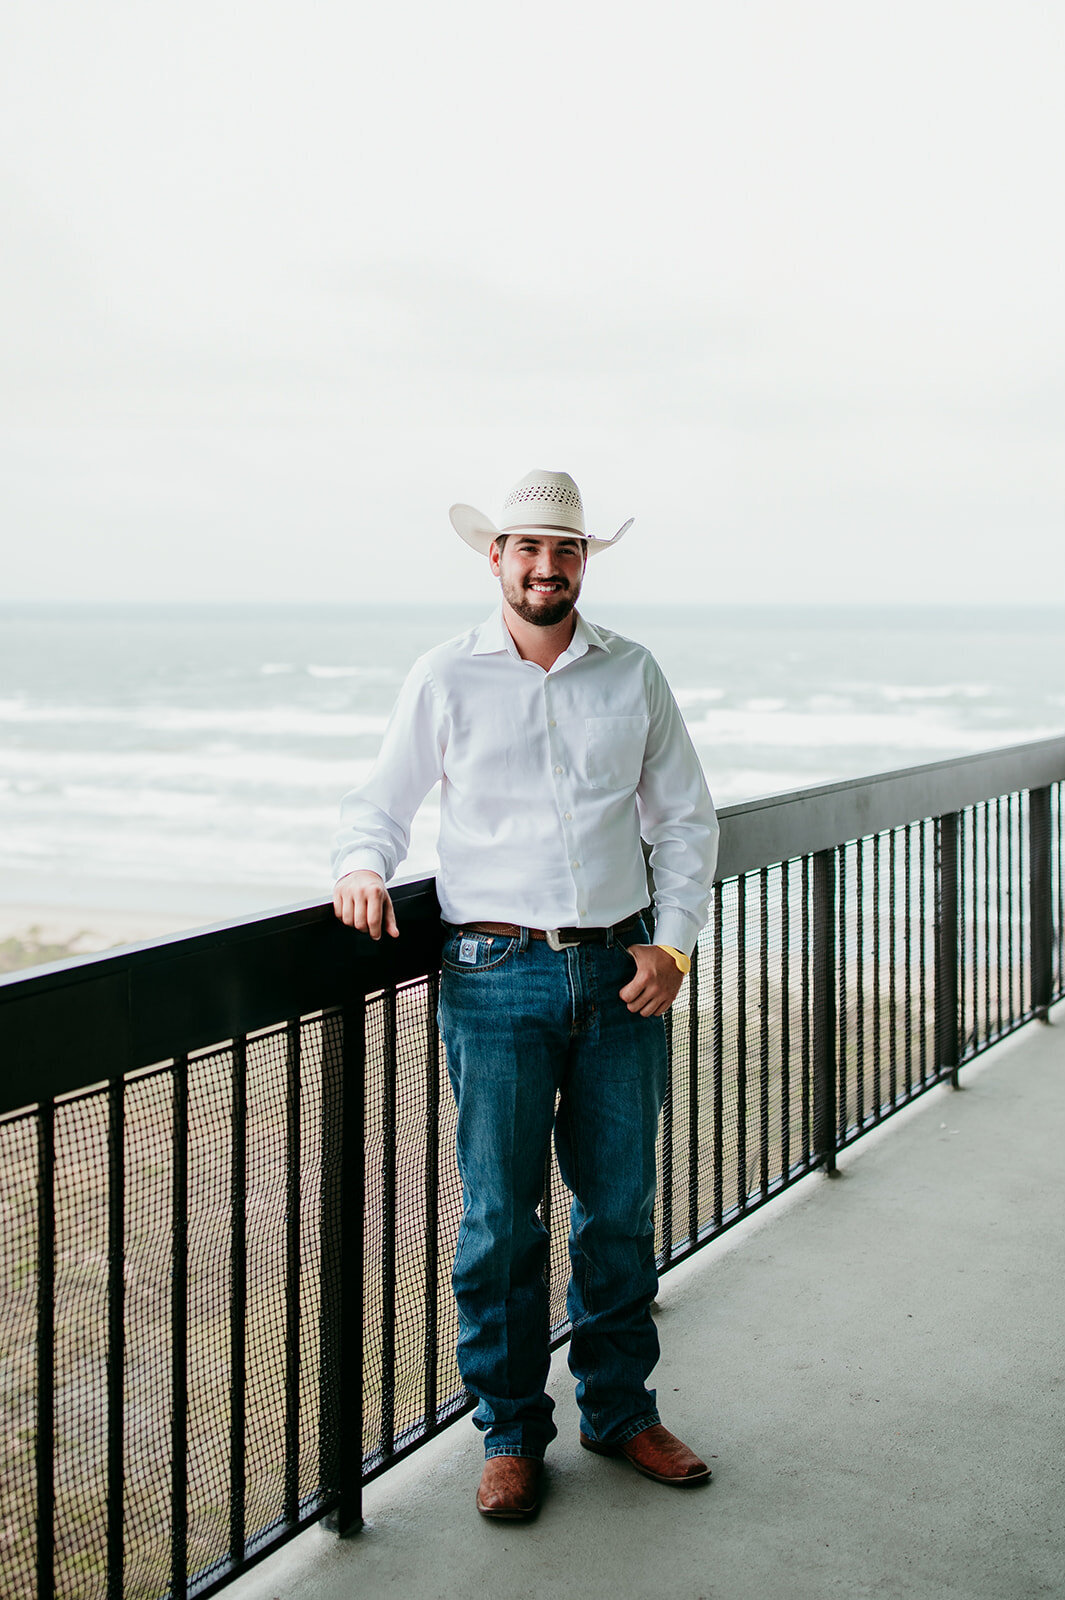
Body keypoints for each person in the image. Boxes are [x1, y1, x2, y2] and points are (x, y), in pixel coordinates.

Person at [332, 469, 719, 1520]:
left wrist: (671, 945)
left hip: (619, 974)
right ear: (494, 558)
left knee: (619, 1212)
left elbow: (684, 820)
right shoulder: (443, 675)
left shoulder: (632, 673)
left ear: (581, 562)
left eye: (565, 551)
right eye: (526, 549)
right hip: (492, 976)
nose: (546, 568)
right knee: (501, 1221)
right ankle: (509, 1433)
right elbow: (380, 801)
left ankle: (618, 1410)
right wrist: (362, 866)